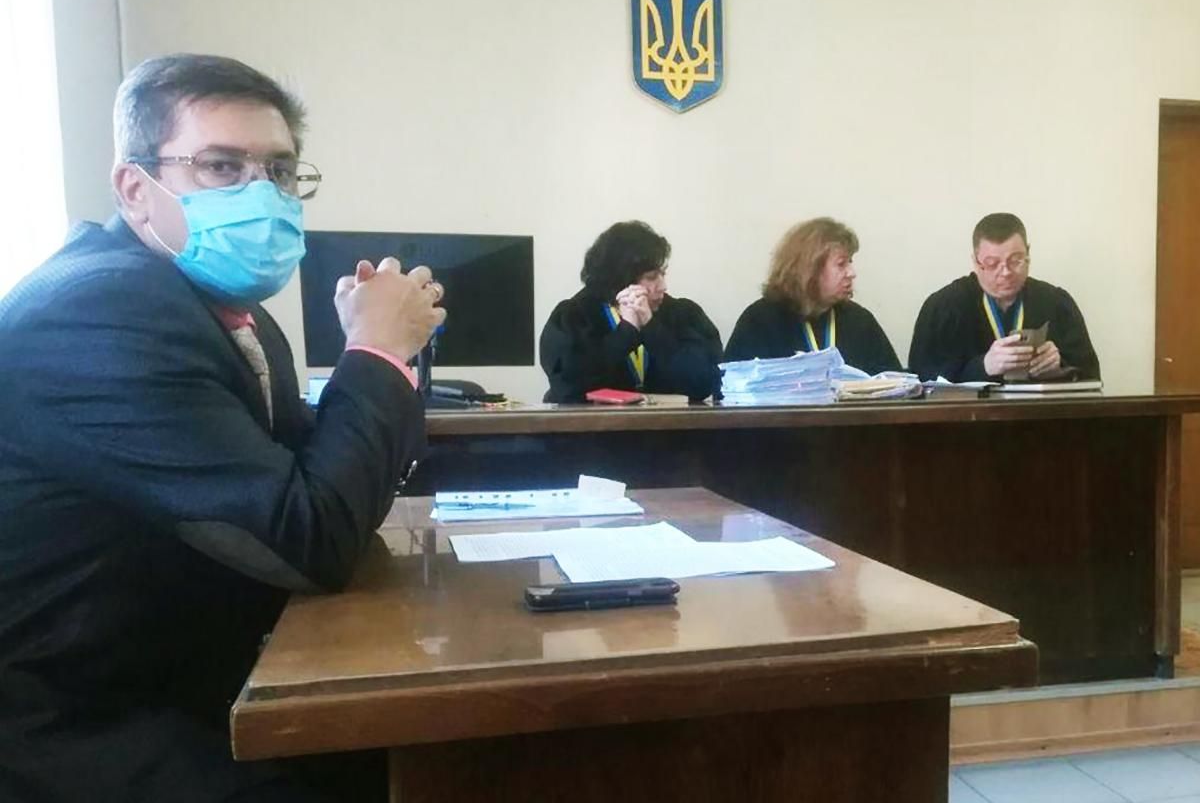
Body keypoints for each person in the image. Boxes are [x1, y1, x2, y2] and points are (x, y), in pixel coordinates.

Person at [0, 54, 445, 802]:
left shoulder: (233, 317)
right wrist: (374, 351)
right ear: (135, 189)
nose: (261, 195)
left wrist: (379, 359)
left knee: (414, 747)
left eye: (279, 171)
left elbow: (311, 483)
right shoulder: (99, 312)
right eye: (220, 166)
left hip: (192, 665)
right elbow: (310, 540)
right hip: (75, 714)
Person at [539, 220, 722, 403]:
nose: (663, 286)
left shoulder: (684, 314)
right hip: (596, 421)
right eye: (651, 277)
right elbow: (568, 389)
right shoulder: (574, 316)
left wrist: (652, 328)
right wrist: (626, 332)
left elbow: (704, 383)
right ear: (621, 280)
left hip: (667, 420)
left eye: (663, 274)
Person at [907, 212, 1100, 382]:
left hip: (1040, 411)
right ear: (975, 261)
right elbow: (919, 380)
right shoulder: (943, 307)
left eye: (1016, 261)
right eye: (992, 264)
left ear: (1028, 254)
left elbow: (1090, 375)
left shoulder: (1056, 302)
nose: (1006, 272)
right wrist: (983, 367)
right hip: (971, 413)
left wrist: (1060, 365)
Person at [723, 217, 901, 374]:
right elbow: (728, 389)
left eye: (850, 262)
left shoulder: (859, 321)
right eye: (841, 264)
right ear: (810, 269)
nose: (851, 273)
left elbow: (896, 386)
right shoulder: (759, 321)